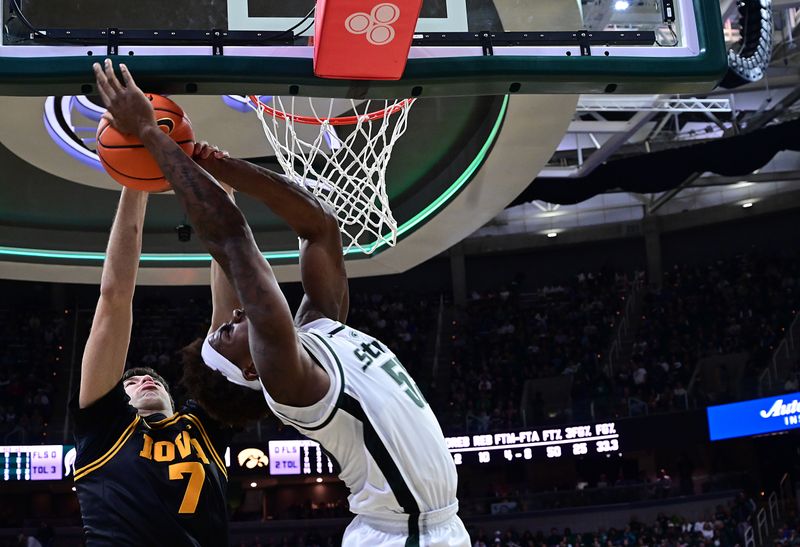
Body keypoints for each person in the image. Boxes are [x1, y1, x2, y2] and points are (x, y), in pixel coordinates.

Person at [93, 58, 470, 546]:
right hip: (403, 536)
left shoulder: (317, 329)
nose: (232, 316)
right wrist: (147, 131)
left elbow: (319, 227)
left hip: (430, 526)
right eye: (228, 333)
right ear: (252, 369)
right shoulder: (289, 385)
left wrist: (220, 164)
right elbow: (233, 243)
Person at [70, 185, 232, 543]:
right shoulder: (104, 430)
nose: (145, 379)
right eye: (132, 382)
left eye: (154, 380)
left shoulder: (199, 427)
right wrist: (135, 182)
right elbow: (114, 298)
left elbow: (226, 320)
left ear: (174, 401)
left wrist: (223, 196)